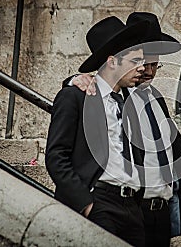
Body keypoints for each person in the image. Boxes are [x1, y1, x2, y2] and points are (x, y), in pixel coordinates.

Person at [65, 12, 181, 247]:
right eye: (142, 62)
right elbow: (93, 89)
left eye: (155, 64)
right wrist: (73, 79)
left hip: (161, 213)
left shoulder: (156, 100)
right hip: (131, 207)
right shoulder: (116, 94)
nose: (148, 70)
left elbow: (172, 148)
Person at [45, 16, 149, 247]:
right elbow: (55, 156)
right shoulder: (75, 97)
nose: (142, 68)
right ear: (112, 62)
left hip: (132, 207)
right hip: (98, 202)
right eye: (135, 61)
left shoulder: (131, 101)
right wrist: (86, 203)